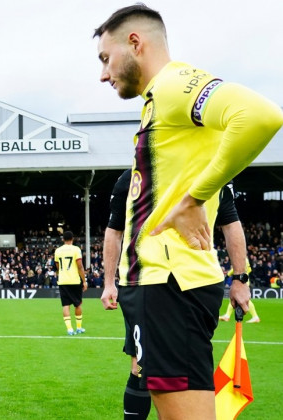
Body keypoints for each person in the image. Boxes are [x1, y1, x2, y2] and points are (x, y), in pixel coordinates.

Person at [94, 4, 283, 419]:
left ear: (135, 43)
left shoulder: (174, 83)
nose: (103, 74)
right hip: (161, 284)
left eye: (106, 59)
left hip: (170, 285)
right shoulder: (157, 100)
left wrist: (195, 197)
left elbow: (262, 116)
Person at [101, 171, 254, 420]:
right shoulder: (130, 179)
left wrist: (240, 278)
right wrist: (109, 283)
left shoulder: (213, 173)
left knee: (175, 381)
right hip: (146, 284)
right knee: (142, 367)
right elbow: (114, 231)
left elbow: (231, 223)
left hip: (194, 286)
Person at [54, 231, 87, 335]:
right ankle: (79, 327)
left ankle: (69, 329)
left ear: (63, 239)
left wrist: (62, 273)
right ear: (72, 239)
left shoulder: (58, 251)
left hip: (63, 281)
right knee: (77, 304)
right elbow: (80, 266)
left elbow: (57, 266)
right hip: (75, 280)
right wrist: (84, 281)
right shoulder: (76, 249)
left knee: (65, 305)